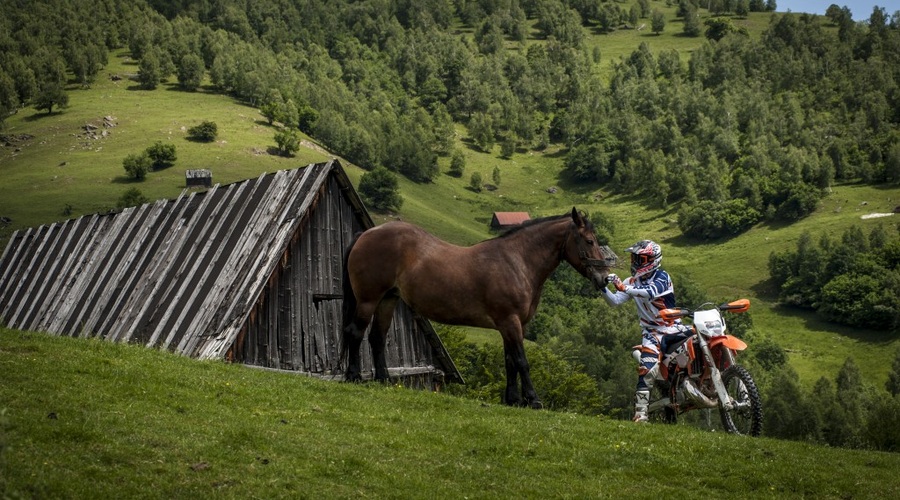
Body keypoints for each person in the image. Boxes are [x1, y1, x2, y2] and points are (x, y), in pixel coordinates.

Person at [601, 240, 687, 422]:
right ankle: (640, 415)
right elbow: (615, 301)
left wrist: (626, 288)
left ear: (652, 260)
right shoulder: (631, 282)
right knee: (646, 371)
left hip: (675, 328)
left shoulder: (663, 277)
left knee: (701, 343)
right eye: (634, 258)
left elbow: (651, 291)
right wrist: (601, 288)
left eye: (640, 259)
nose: (635, 263)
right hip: (652, 333)